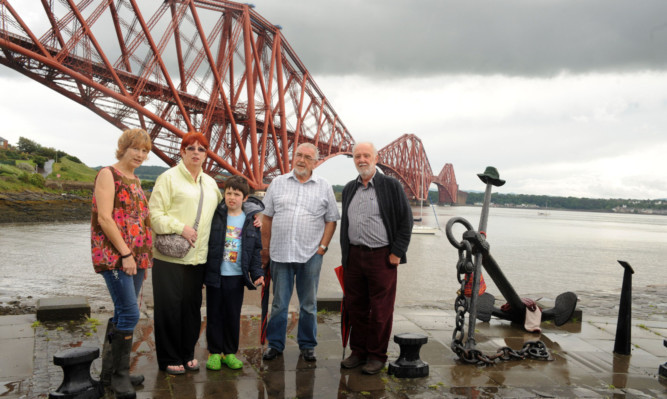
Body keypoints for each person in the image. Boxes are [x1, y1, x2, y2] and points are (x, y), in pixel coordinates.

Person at [148, 131, 222, 375]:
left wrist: (251, 217)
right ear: (182, 151)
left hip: (198, 259)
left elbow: (224, 213)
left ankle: (187, 353)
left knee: (191, 309)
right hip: (170, 258)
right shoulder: (168, 178)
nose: (196, 153)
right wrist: (181, 228)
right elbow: (154, 216)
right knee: (169, 308)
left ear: (206, 154)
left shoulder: (210, 183)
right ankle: (169, 357)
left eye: (202, 149)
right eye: (191, 148)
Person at [261, 142, 340, 362]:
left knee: (308, 304)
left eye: (307, 157)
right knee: (279, 304)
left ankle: (307, 345)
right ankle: (275, 344)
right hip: (281, 253)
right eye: (298, 155)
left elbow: (331, 220)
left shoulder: (324, 186)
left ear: (315, 163)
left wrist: (322, 248)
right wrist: (265, 250)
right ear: (293, 157)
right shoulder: (277, 183)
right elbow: (266, 217)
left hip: (310, 255)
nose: (301, 160)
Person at [339, 142, 413, 375]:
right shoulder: (350, 188)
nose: (362, 159)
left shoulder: (391, 185)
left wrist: (397, 253)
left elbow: (405, 220)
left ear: (376, 158)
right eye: (357, 156)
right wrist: (346, 255)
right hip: (354, 256)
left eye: (366, 155)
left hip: (381, 256)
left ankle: (377, 355)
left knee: (381, 310)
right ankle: (358, 352)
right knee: (356, 307)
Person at [90, 128, 153, 399]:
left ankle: (111, 373)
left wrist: (145, 255)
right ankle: (119, 376)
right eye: (136, 149)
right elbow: (105, 218)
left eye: (145, 150)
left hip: (137, 257)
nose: (140, 155)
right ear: (124, 148)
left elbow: (141, 219)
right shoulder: (108, 174)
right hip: (116, 257)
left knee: (121, 313)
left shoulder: (136, 180)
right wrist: (126, 254)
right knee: (130, 313)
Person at [204, 175, 265, 371]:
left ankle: (229, 353)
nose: (232, 197)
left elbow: (255, 250)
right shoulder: (215, 216)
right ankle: (214, 353)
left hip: (237, 277)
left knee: (232, 314)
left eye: (236, 194)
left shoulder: (250, 221)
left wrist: (257, 273)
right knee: (214, 314)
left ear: (245, 198)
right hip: (216, 274)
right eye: (228, 193)